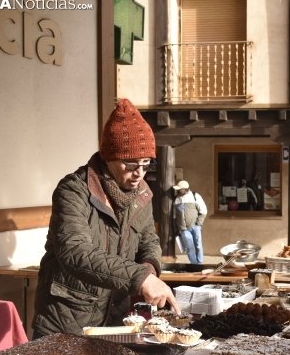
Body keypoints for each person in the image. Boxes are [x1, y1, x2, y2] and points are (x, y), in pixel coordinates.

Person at [32, 99, 180, 337]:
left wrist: (149, 268)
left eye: (146, 164)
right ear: (109, 157)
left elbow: (148, 240)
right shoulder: (72, 190)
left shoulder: (141, 193)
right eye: (131, 164)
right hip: (65, 322)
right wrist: (139, 278)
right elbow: (75, 252)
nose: (139, 173)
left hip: (114, 320)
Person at [173, 180, 208, 264]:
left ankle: (200, 263)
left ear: (185, 189)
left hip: (195, 226)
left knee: (198, 246)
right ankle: (194, 264)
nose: (178, 191)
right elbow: (174, 215)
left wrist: (198, 224)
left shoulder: (195, 196)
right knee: (189, 247)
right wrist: (176, 227)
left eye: (179, 189)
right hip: (183, 228)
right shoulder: (176, 199)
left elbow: (203, 210)